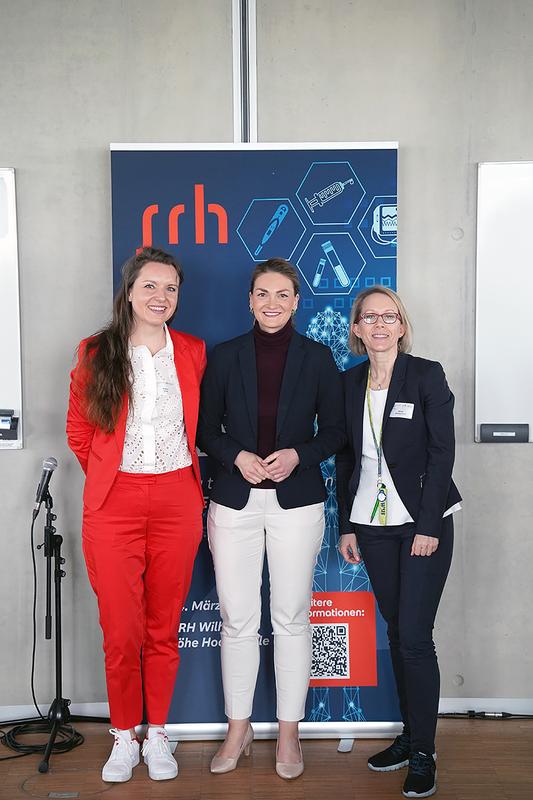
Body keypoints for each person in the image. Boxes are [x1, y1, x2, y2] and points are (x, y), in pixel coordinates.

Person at [198, 258, 345, 779]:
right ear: (250, 300)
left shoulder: (318, 357)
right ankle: (238, 729)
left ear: (297, 302)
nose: (273, 304)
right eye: (264, 294)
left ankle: (289, 733)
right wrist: (236, 456)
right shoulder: (225, 356)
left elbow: (335, 432)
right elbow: (204, 430)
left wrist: (299, 455)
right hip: (234, 499)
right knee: (237, 620)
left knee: (290, 617)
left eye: (283, 295)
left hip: (297, 502)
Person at [66, 247, 205, 783]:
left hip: (177, 499)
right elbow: (80, 430)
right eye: (150, 286)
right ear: (129, 291)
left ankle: (159, 736)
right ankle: (124, 736)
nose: (160, 297)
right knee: (121, 631)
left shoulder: (192, 351)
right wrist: (109, 473)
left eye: (170, 288)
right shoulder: (96, 351)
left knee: (162, 627)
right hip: (114, 504)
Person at [336, 286, 461, 799]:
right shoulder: (348, 383)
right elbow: (346, 457)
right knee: (395, 627)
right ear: (358, 329)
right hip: (372, 523)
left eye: (390, 317)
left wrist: (429, 525)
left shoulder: (426, 375)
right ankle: (410, 736)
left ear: (402, 325)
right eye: (370, 318)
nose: (381, 325)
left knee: (414, 634)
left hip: (422, 522)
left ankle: (425, 751)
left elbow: (442, 453)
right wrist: (347, 523)